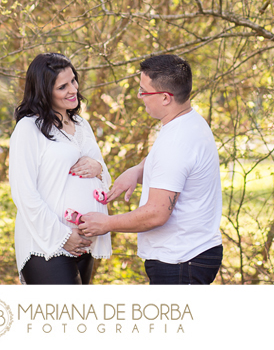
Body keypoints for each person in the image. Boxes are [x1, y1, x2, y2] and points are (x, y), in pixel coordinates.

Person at [78, 54, 222, 284]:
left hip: (181, 261)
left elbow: (156, 213)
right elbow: (174, 167)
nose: (139, 97)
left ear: (165, 97)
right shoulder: (188, 122)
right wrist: (137, 171)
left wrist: (106, 224)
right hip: (190, 255)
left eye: (144, 91)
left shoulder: (177, 141)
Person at [9, 53, 112, 284]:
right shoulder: (29, 129)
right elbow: (23, 193)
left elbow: (104, 177)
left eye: (73, 80)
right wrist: (64, 236)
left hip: (85, 242)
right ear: (45, 91)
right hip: (46, 245)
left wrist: (98, 167)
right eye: (62, 86)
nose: (73, 89)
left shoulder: (81, 125)